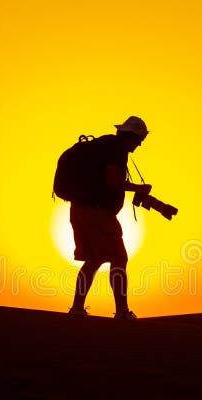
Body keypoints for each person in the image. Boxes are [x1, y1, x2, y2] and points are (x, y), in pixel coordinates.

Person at [68, 116, 153, 320]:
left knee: (93, 259)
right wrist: (138, 188)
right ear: (130, 136)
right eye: (139, 139)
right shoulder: (116, 150)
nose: (140, 144)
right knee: (118, 258)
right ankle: (122, 312)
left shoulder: (102, 147)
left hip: (79, 209)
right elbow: (113, 181)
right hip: (97, 212)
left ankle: (77, 308)